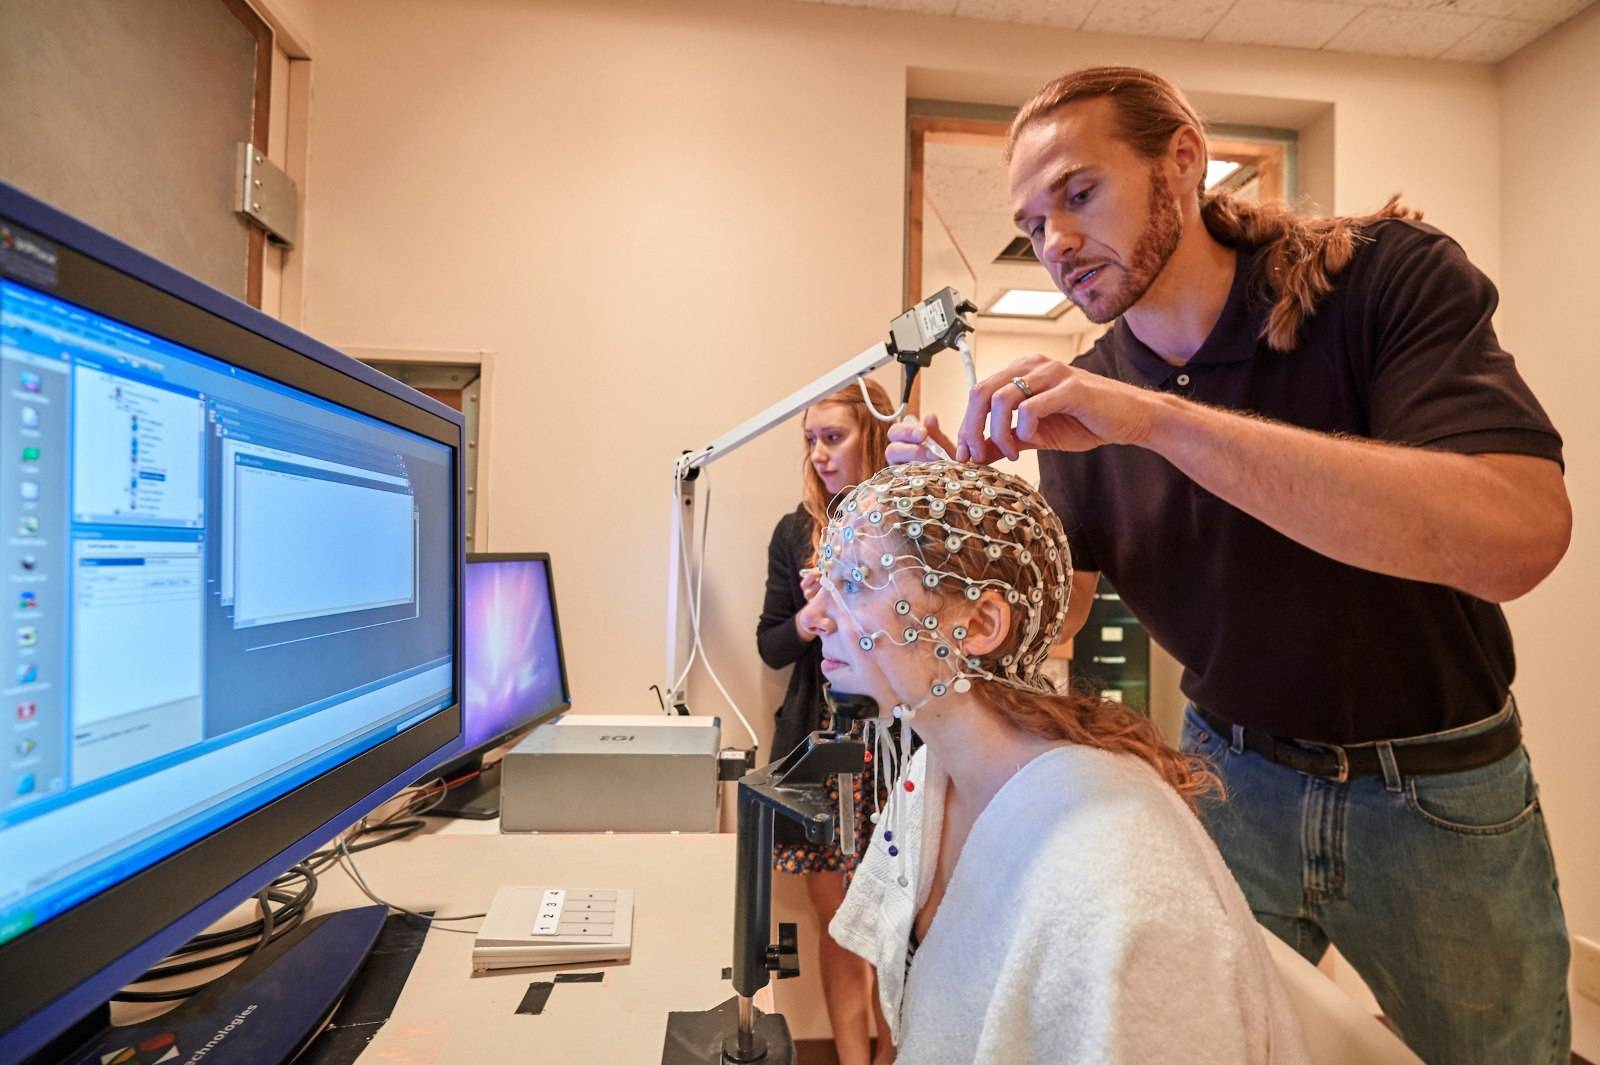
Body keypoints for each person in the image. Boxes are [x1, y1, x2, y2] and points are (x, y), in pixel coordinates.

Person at [889, 66, 1572, 1065]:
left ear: (1182, 159)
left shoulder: (1381, 282)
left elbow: (1517, 538)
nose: (1058, 242)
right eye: (1033, 226)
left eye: (1078, 194)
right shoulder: (1089, 400)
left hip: (1434, 790)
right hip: (1225, 779)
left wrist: (1161, 424)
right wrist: (965, 527)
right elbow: (1056, 622)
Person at [800, 459, 1309, 1064]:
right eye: (827, 581)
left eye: (856, 581)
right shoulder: (929, 782)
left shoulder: (1113, 869)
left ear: (982, 623)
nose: (814, 619)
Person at [756, 378, 895, 1065]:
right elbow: (769, 643)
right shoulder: (795, 532)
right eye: (810, 440)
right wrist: (810, 619)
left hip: (894, 748)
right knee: (839, 924)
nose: (819, 454)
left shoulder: (906, 520)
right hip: (819, 744)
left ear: (871, 435)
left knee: (898, 926)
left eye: (833, 437)